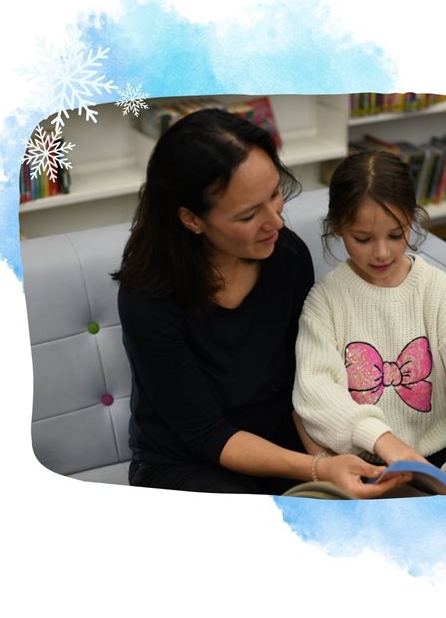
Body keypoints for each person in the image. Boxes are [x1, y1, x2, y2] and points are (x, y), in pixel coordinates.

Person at [112, 108, 406, 497]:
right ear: (191, 219)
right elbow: (207, 435)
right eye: (250, 214)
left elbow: (306, 378)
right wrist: (319, 467)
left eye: (274, 194)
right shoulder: (147, 298)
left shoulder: (287, 256)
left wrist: (332, 461)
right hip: (185, 464)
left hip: (281, 447)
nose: (276, 222)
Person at [292, 150, 446, 492]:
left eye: (396, 234)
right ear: (337, 228)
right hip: (363, 462)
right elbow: (315, 396)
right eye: (362, 239)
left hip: (434, 459)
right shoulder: (325, 301)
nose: (382, 253)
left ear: (413, 219)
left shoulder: (436, 290)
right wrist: (381, 439)